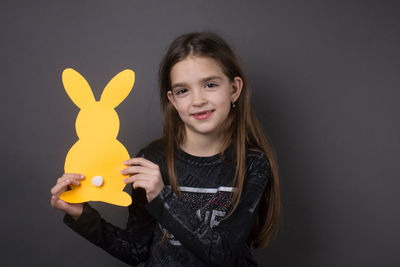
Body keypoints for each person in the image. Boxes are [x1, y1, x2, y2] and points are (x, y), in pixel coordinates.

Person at [50, 32, 280, 266]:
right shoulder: (152, 160)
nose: (197, 100)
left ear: (234, 89)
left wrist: (163, 198)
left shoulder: (254, 164)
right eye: (183, 91)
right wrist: (81, 215)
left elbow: (226, 255)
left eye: (210, 85)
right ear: (172, 100)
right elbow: (135, 250)